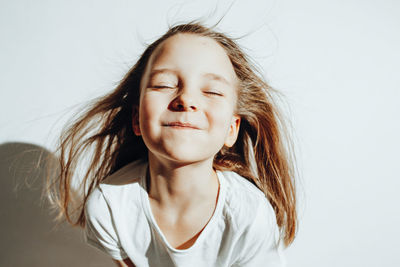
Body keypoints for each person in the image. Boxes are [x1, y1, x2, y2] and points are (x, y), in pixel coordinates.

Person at [46, 22, 297, 267]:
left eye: (212, 91)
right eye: (164, 85)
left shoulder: (251, 216)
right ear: (137, 119)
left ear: (231, 129)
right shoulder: (109, 207)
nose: (186, 99)